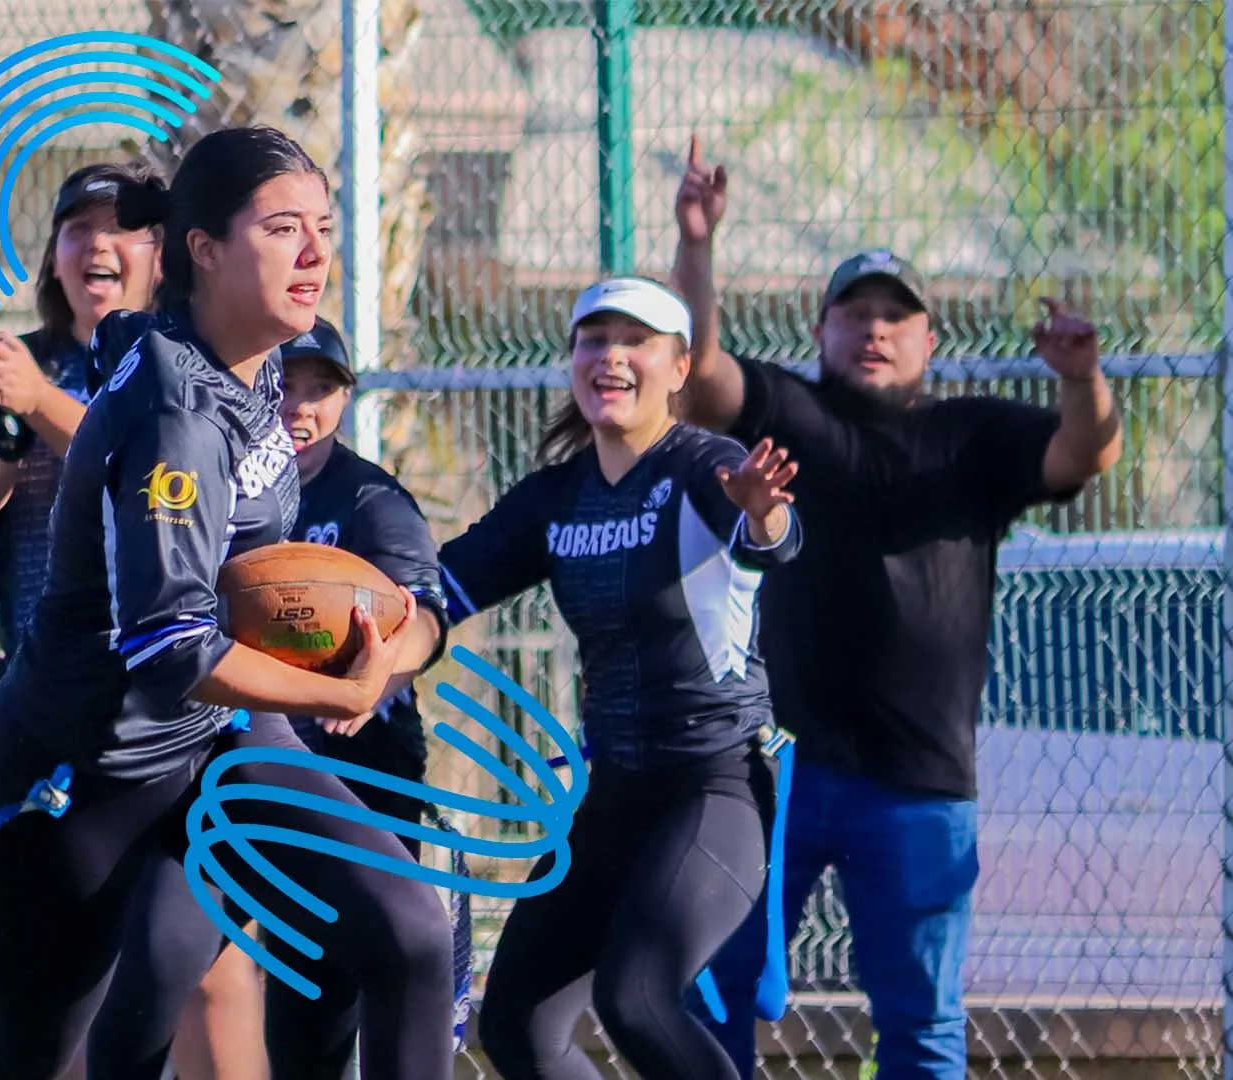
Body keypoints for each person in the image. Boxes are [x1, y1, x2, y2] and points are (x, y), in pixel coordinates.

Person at [0, 125, 455, 1080]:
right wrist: (336, 695)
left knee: (411, 928)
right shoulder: (178, 422)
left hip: (214, 743)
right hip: (83, 768)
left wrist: (365, 645)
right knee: (35, 1048)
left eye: (323, 226)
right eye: (283, 228)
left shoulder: (245, 371)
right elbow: (171, 650)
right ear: (202, 249)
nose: (318, 251)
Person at [669, 138, 1123, 1078]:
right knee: (713, 997)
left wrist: (1081, 379)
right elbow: (701, 371)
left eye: (896, 317)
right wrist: (698, 241)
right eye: (855, 313)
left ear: (928, 340)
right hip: (776, 774)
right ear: (822, 330)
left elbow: (1086, 457)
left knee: (920, 1024)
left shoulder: (976, 436)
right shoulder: (790, 413)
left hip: (919, 782)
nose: (874, 330)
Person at [441, 276, 804, 1080]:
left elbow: (771, 537)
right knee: (517, 1024)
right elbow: (443, 585)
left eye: (635, 340)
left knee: (636, 997)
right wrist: (361, 618)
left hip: (714, 789)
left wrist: (763, 513)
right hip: (613, 795)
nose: (610, 356)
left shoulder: (708, 468)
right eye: (593, 339)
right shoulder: (558, 497)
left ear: (678, 369)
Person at [84, 317, 451, 1080]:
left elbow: (422, 620)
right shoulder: (203, 468)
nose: (304, 405)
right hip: (223, 773)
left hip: (347, 782)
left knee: (317, 1009)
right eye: (291, 384)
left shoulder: (371, 501)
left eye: (325, 389)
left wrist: (380, 671)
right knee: (148, 983)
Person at [0, 161, 162, 659]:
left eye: (119, 229)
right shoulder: (18, 366)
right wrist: (5, 446)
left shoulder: (182, 361)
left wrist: (40, 402)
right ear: (53, 260)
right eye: (79, 230)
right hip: (37, 670)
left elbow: (150, 474)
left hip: (154, 664)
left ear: (164, 260)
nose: (96, 243)